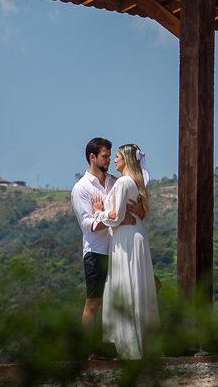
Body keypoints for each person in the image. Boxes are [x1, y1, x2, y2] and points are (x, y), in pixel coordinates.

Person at [92, 143, 160, 359]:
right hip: (135, 234)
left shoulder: (123, 182)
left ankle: (128, 347)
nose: (114, 160)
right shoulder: (135, 182)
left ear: (126, 160)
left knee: (125, 284)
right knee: (136, 283)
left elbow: (117, 216)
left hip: (126, 238)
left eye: (117, 156)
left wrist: (99, 213)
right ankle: (142, 341)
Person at [71, 137, 137, 348]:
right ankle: (92, 352)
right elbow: (88, 224)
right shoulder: (81, 188)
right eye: (105, 156)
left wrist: (110, 215)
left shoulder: (116, 182)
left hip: (120, 248)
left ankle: (124, 343)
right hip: (97, 252)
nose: (109, 160)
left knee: (136, 290)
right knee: (93, 304)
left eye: (110, 156)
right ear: (92, 157)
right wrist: (114, 219)